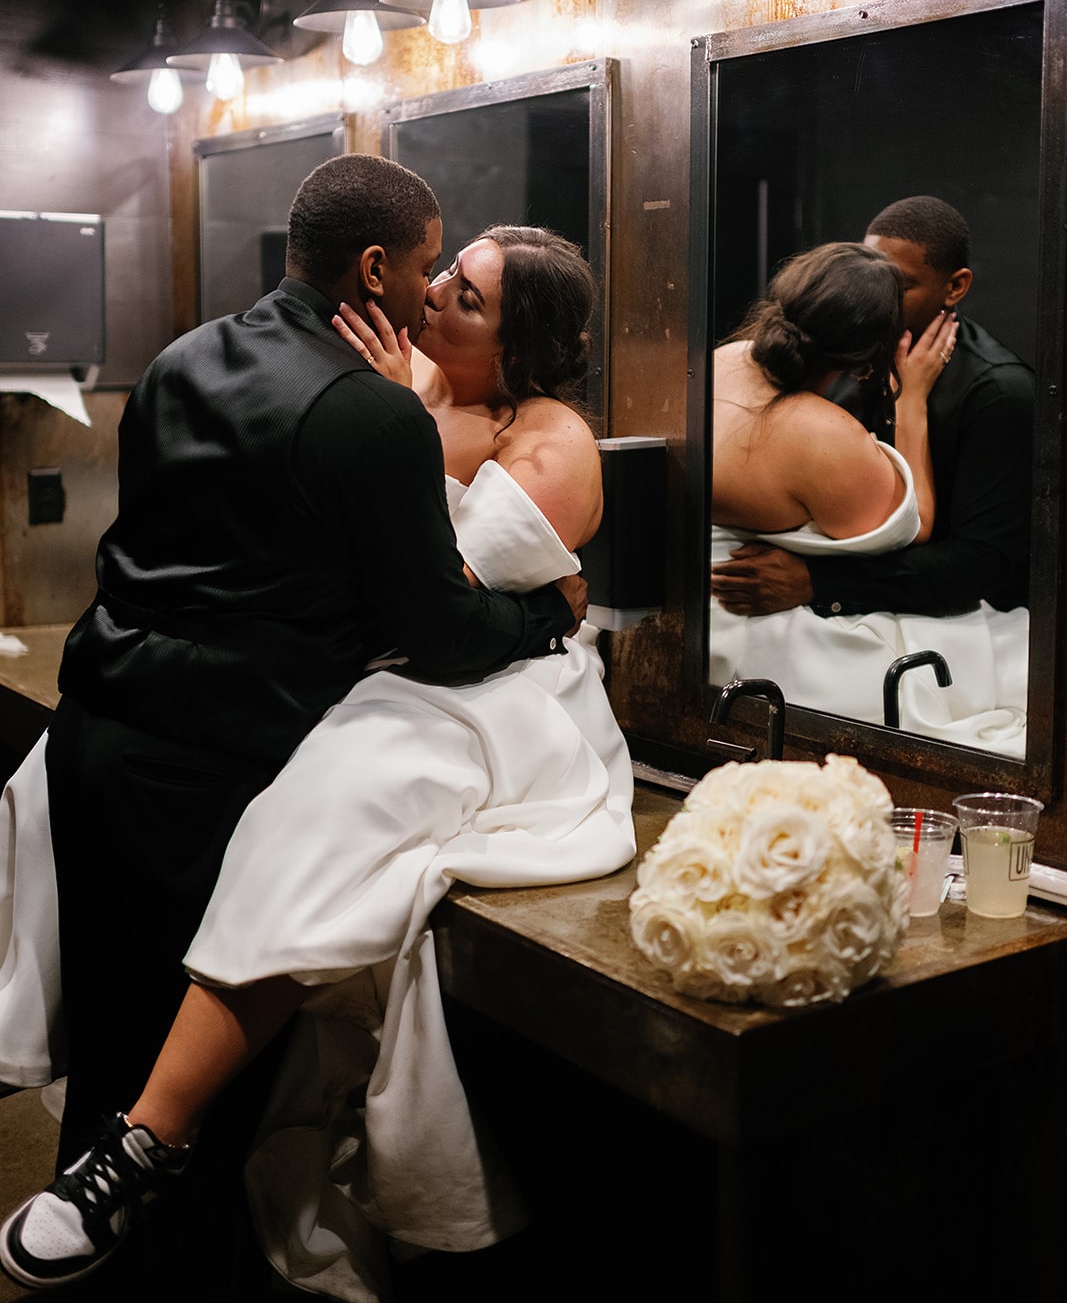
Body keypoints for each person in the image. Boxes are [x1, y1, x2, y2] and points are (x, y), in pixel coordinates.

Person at [0, 222, 635, 1298]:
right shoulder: (397, 376)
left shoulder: (552, 438)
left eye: (468, 297)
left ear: (524, 346)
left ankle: (148, 1137)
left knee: (330, 804)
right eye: (443, 272)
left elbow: (458, 598)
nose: (436, 295)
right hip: (387, 662)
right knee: (45, 775)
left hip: (489, 695)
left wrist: (401, 430)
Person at [709, 237, 1029, 751]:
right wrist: (914, 402)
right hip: (761, 623)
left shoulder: (724, 359)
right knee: (994, 655)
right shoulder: (824, 435)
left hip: (703, 608)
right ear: (869, 356)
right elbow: (915, 525)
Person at [711, 196, 1034, 619]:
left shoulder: (998, 392)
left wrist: (818, 582)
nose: (871, 295)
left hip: (946, 615)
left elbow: (978, 564)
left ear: (954, 287)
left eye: (897, 286)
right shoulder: (834, 346)